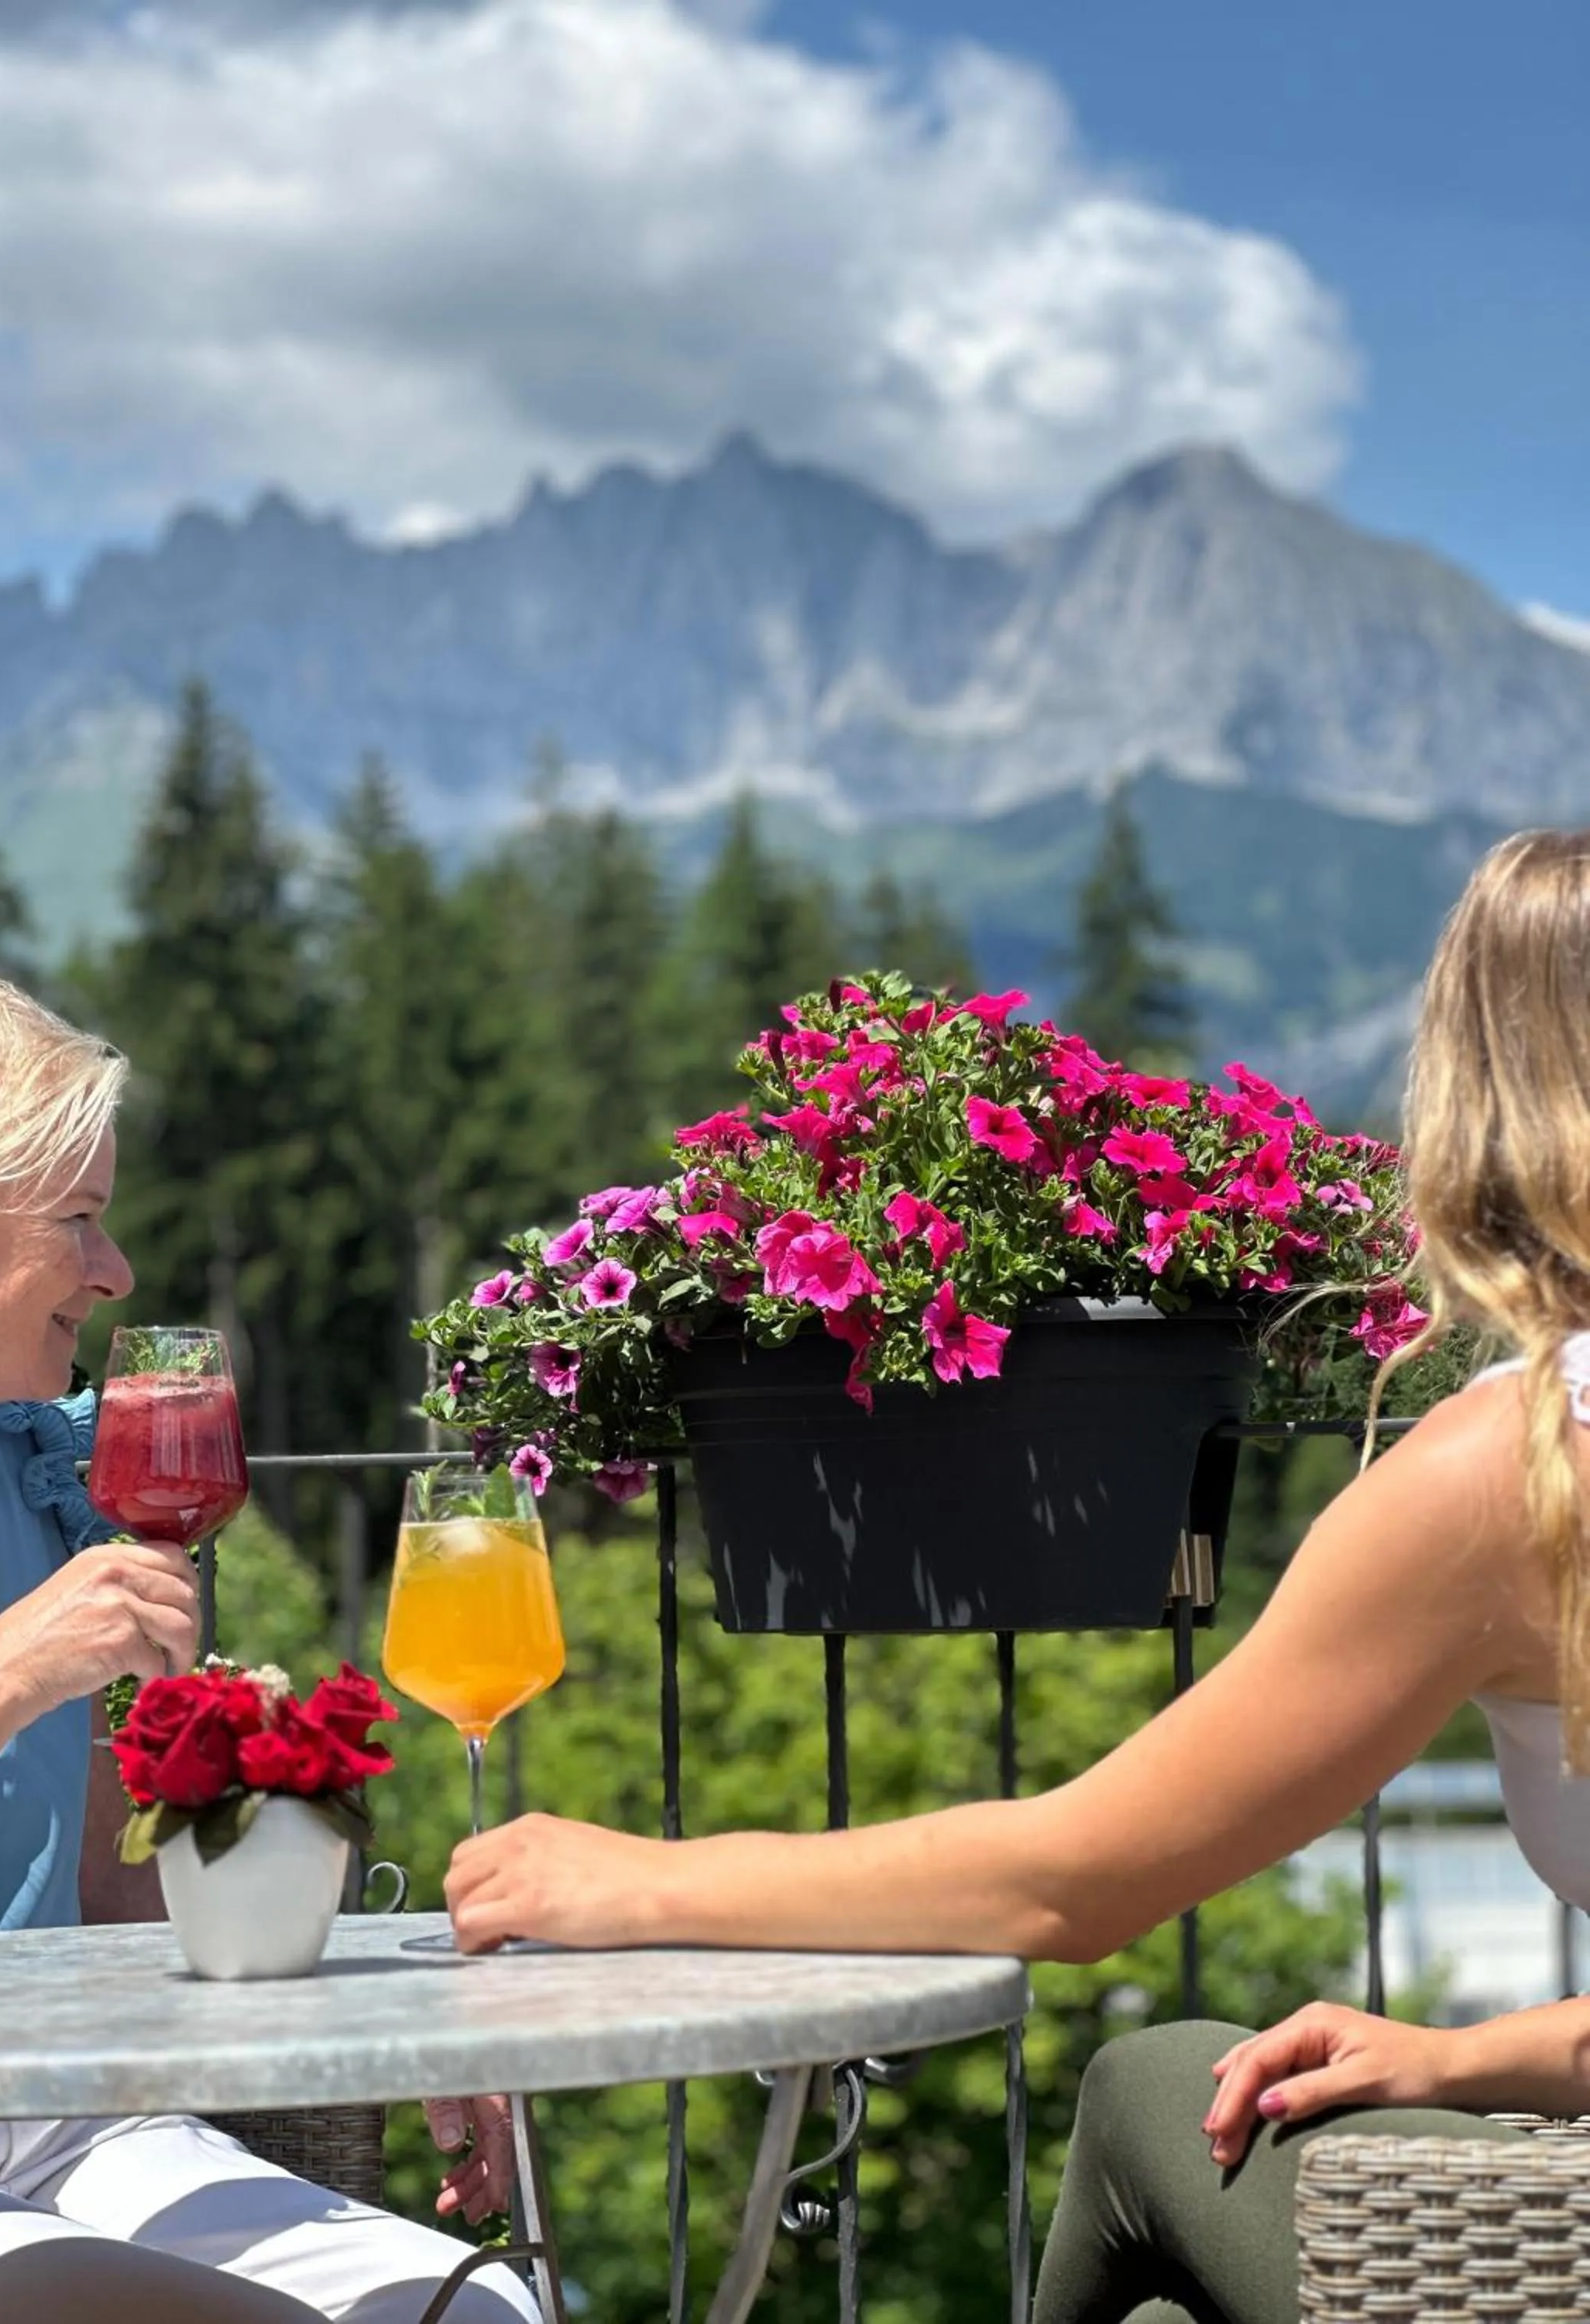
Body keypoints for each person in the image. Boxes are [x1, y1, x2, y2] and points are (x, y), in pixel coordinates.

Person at [445, 827, 1590, 2322]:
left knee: (1146, 2090)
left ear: (1482, 1096)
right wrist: (1471, 2057)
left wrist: (628, 1880)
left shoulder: (1513, 1471)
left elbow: (1071, 1883)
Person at [0, 933, 533, 2324]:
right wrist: (4, 1670)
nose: (116, 1270)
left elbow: (121, 1913)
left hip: (73, 2117)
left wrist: (387, 2018)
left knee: (475, 2307)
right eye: (77, 1221)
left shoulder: (53, 1481)